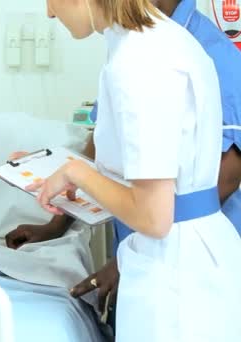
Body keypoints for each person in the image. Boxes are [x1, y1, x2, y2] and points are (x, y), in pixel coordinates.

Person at [18, 0, 241, 339]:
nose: (49, 13)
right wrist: (60, 170)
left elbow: (154, 215)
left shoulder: (139, 59)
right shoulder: (163, 39)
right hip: (191, 259)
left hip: (174, 277)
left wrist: (78, 173)